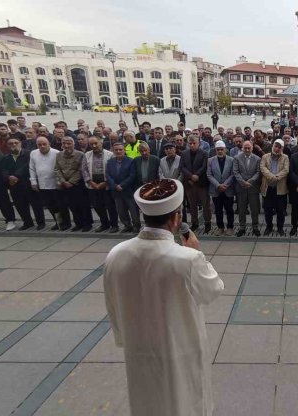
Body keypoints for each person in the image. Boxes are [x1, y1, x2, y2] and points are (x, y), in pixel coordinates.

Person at [104, 178, 224, 416]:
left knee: (147, 400)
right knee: (185, 401)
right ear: (176, 218)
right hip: (180, 347)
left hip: (138, 346)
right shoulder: (186, 259)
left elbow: (112, 304)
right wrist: (196, 253)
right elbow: (213, 289)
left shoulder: (116, 254)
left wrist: (123, 338)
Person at [1, 137, 42, 230]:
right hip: (14, 185)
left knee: (36, 205)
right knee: (20, 206)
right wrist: (8, 177)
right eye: (11, 143)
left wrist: (16, 176)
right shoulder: (6, 157)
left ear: (20, 143)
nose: (13, 145)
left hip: (29, 183)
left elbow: (27, 166)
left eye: (16, 142)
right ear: (7, 145)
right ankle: (28, 222)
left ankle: (40, 222)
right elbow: (3, 169)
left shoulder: (29, 154)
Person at [55, 136, 92, 232]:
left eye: (69, 143)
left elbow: (81, 170)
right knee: (72, 205)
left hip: (78, 184)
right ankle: (78, 223)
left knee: (83, 205)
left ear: (73, 144)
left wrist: (71, 182)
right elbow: (57, 169)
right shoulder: (58, 155)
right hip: (65, 184)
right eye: (64, 143)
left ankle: (87, 224)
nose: (66, 146)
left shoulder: (80, 154)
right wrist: (63, 181)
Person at [82, 136, 118, 233]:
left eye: (96, 143)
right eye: (91, 144)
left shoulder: (110, 155)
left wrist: (106, 182)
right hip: (92, 184)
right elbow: (84, 170)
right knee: (97, 206)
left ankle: (114, 225)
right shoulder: (87, 155)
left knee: (110, 206)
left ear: (101, 143)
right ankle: (104, 224)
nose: (94, 146)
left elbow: (113, 170)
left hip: (106, 184)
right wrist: (90, 182)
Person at [107, 142, 140, 233]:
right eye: (116, 150)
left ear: (124, 150)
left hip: (128, 190)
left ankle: (136, 225)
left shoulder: (131, 161)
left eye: (120, 149)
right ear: (113, 151)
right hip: (116, 191)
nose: (118, 151)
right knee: (121, 211)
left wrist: (122, 185)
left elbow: (132, 175)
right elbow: (108, 175)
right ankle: (127, 225)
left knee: (133, 210)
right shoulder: (110, 162)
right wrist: (114, 185)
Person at [181, 136, 212, 233]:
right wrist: (191, 176)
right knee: (192, 205)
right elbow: (182, 167)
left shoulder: (204, 153)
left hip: (201, 183)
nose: (192, 145)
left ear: (199, 143)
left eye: (194, 143)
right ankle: (195, 223)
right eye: (190, 143)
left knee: (205, 205)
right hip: (189, 183)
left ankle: (208, 223)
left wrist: (197, 175)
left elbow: (204, 166)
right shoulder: (184, 153)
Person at [260, 139, 289, 236]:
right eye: (275, 146)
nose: (277, 149)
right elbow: (263, 168)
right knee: (268, 210)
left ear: (282, 149)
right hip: (268, 189)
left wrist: (276, 178)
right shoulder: (265, 156)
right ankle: (269, 226)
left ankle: (280, 228)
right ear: (272, 146)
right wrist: (272, 177)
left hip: (280, 189)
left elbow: (286, 170)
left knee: (280, 211)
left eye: (279, 147)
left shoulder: (285, 157)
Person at [232, 140, 262, 236]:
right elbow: (235, 172)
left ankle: (255, 227)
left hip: (253, 188)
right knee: (241, 209)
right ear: (242, 148)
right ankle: (242, 227)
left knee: (254, 209)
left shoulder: (257, 159)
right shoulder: (237, 158)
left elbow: (258, 172)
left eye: (249, 148)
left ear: (252, 148)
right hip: (241, 188)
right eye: (245, 148)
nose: (247, 149)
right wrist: (243, 182)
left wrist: (250, 181)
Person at [207, 141, 235, 236]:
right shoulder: (210, 160)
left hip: (228, 189)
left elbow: (232, 174)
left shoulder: (231, 160)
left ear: (225, 150)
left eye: (221, 149)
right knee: (218, 210)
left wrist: (225, 184)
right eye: (218, 150)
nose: (220, 151)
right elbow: (209, 175)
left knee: (229, 210)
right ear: (215, 150)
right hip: (216, 189)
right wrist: (218, 185)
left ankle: (230, 227)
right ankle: (220, 227)